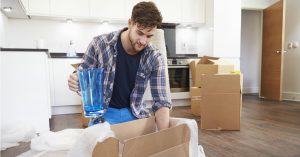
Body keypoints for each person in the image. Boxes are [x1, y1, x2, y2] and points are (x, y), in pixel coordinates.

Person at [68, 1, 171, 130]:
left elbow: (161, 101)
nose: (144, 41)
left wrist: (166, 137)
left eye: (149, 36)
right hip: (103, 116)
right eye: (139, 33)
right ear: (130, 23)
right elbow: (82, 76)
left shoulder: (155, 56)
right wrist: (75, 80)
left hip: (135, 116)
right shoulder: (99, 44)